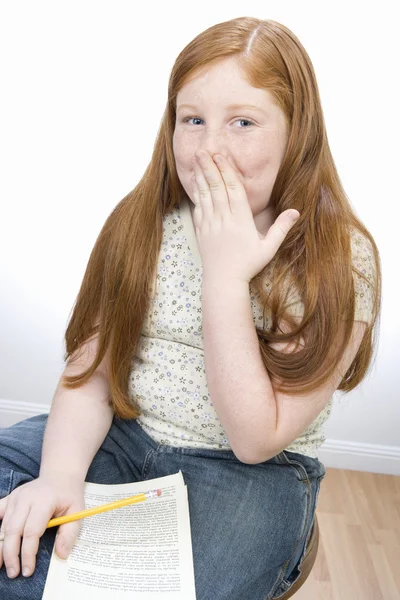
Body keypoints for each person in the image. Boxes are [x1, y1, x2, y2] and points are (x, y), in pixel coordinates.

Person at [0, 15, 381, 600]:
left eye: (244, 122)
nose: (209, 149)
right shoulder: (142, 222)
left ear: (296, 132)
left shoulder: (341, 259)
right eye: (193, 120)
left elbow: (256, 438)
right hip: (124, 436)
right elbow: (94, 372)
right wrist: (59, 478)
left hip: (250, 474)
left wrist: (226, 277)